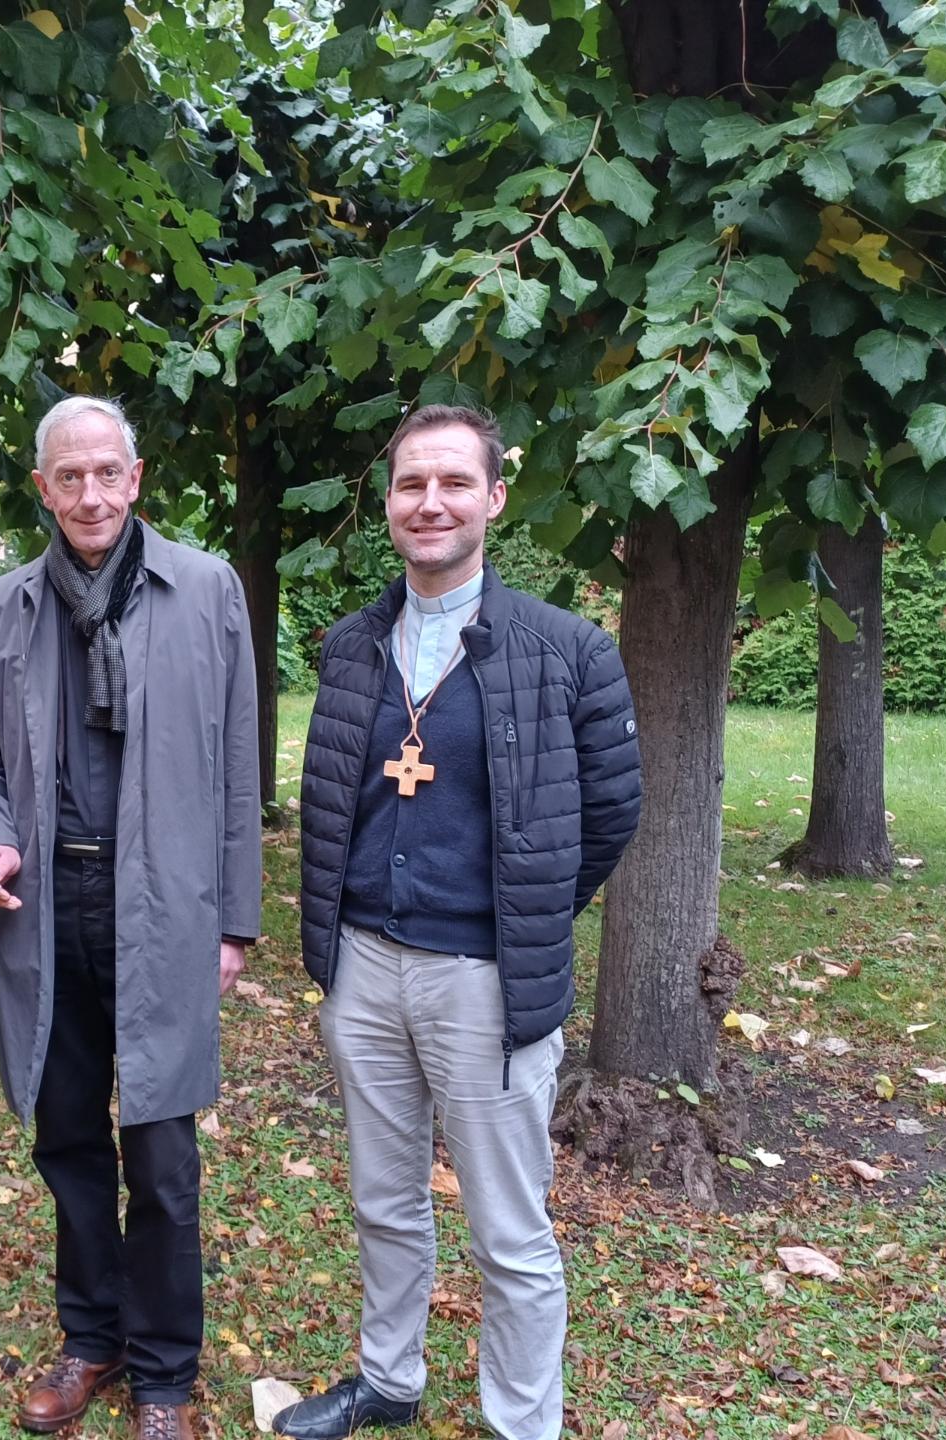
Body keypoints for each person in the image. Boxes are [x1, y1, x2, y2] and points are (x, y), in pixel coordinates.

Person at [277, 405, 642, 1440]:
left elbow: (613, 810)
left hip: (484, 978)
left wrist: (527, 919)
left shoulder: (566, 650)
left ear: (492, 498)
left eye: (450, 483)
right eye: (408, 485)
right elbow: (333, 790)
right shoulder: (352, 645)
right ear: (387, 504)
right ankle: (388, 1382)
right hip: (362, 967)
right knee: (384, 1201)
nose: (428, 502)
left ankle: (522, 1424)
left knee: (508, 1230)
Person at [0, 394, 262, 1440]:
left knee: (163, 1153)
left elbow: (235, 766)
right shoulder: (3, 610)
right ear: (43, 487)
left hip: (166, 908)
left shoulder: (206, 589)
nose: (89, 493)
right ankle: (92, 1340)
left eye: (106, 473)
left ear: (136, 479)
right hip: (46, 908)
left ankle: (166, 1375)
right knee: (68, 1136)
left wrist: (235, 921)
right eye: (66, 476)